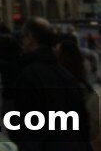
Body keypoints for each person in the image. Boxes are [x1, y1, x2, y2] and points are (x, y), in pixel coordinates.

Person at [11, 17, 92, 151]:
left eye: (23, 37)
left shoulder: (28, 74)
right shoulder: (67, 76)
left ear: (31, 38)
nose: (22, 42)